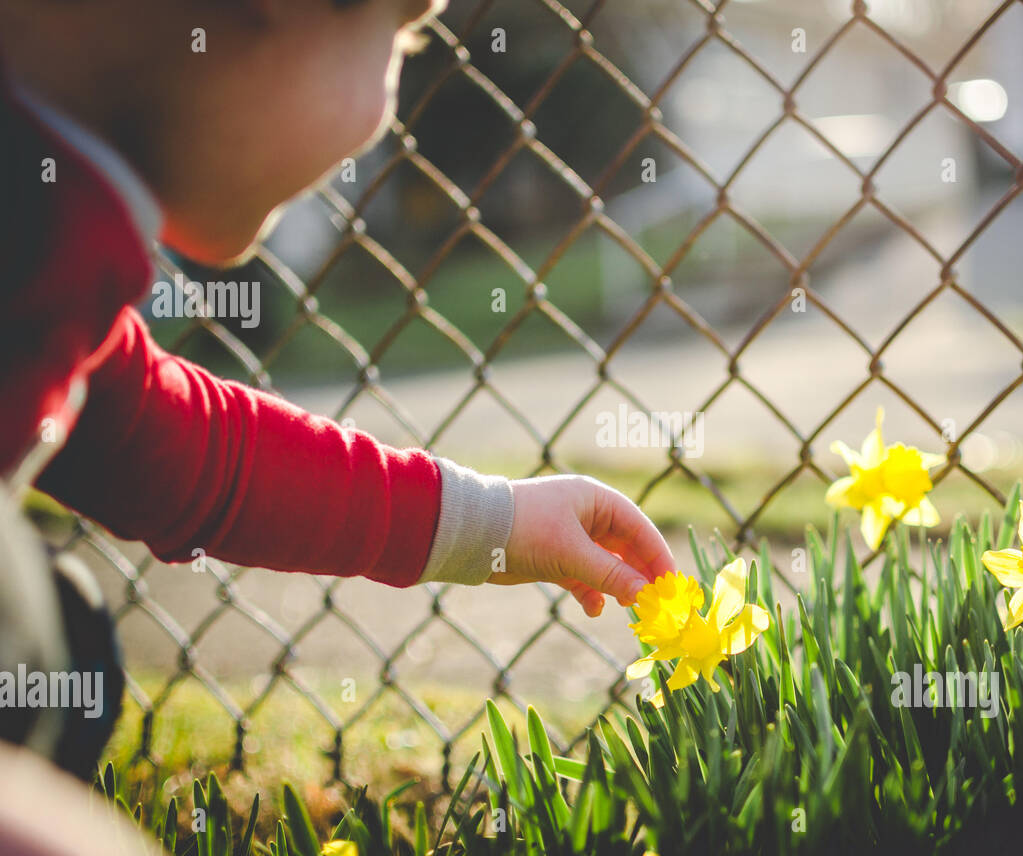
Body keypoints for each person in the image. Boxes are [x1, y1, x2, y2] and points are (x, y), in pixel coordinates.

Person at [0, 0, 673, 801]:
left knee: (58, 643)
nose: (388, 106)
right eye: (403, 31)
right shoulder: (35, 247)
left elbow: (179, 451)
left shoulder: (50, 235)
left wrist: (502, 524)